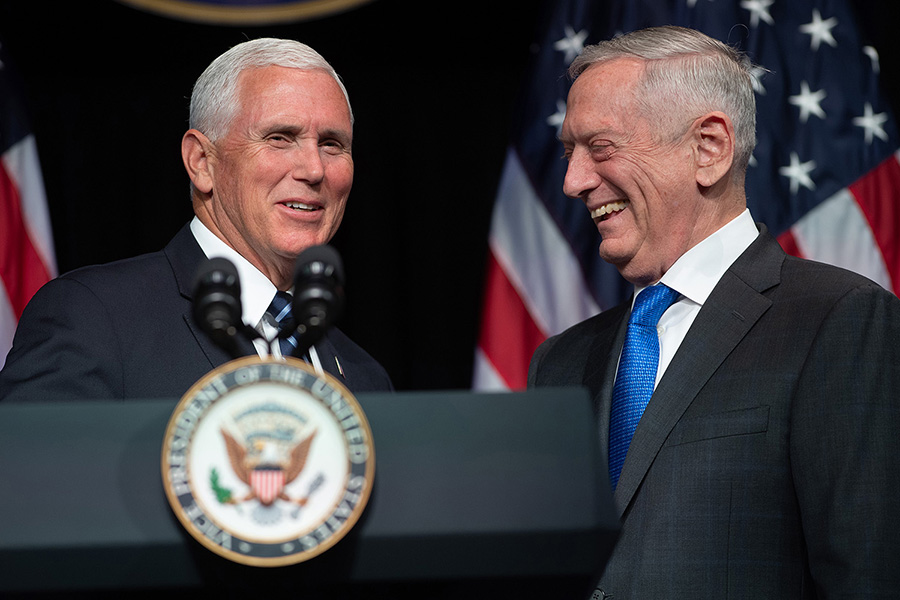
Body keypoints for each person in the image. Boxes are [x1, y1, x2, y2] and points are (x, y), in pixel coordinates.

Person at [528, 26, 900, 598]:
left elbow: (866, 575)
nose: (574, 181)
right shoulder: (560, 361)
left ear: (709, 148)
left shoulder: (839, 322)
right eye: (569, 153)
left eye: (600, 148)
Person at [0, 38, 392, 401]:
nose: (314, 169)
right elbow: (34, 472)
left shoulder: (365, 377)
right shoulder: (93, 319)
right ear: (201, 162)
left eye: (332, 145)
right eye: (279, 138)